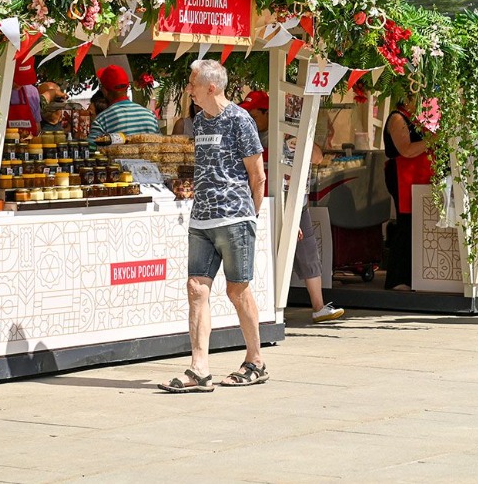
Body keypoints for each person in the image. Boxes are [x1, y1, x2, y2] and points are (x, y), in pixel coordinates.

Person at [159, 60, 267, 392]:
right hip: (201, 219)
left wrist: (250, 216)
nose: (188, 88)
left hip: (234, 218)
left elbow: (258, 175)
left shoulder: (239, 120)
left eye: (192, 83)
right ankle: (199, 369)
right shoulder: (199, 122)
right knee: (196, 288)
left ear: (211, 87)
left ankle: (255, 360)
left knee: (237, 290)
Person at [240, 90, 343, 323]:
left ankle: (318, 306)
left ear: (269, 113)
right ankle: (264, 310)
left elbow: (317, 157)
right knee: (264, 255)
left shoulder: (286, 135)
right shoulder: (247, 136)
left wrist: (300, 137)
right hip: (261, 203)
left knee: (307, 252)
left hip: (294, 200)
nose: (250, 121)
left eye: (254, 116)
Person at [383, 98, 433, 291]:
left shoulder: (418, 118)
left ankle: (414, 276)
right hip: (403, 176)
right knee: (406, 224)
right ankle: (397, 279)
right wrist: (433, 140)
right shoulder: (398, 118)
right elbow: (406, 150)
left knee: (417, 225)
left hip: (419, 177)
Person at [87, 65, 160, 146]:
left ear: (104, 91)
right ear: (127, 87)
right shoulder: (150, 116)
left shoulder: (102, 120)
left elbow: (90, 149)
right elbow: (160, 144)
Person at [8, 55, 42, 137]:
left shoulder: (32, 92)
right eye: (17, 80)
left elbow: (37, 125)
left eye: (24, 80)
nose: (20, 84)